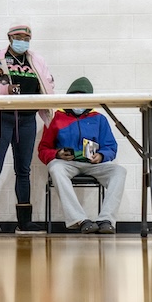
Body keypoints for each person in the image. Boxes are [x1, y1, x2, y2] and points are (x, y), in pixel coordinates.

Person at [0, 24, 56, 234]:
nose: (22, 40)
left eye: (26, 37)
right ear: (9, 38)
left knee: (23, 170)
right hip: (2, 118)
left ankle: (24, 222)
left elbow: (49, 84)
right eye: (18, 37)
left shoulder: (37, 61)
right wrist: (3, 88)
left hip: (27, 119)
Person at [37, 77, 126, 234]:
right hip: (67, 164)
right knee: (56, 169)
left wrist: (101, 155)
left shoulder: (99, 119)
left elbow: (111, 147)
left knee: (119, 171)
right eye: (74, 96)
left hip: (93, 164)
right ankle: (80, 220)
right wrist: (57, 154)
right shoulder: (55, 118)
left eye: (83, 97)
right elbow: (43, 149)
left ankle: (106, 220)